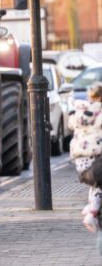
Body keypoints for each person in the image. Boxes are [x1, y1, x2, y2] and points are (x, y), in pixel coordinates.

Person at [69, 82, 102, 232]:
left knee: (94, 186)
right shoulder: (99, 113)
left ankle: (91, 207)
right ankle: (93, 211)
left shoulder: (80, 113)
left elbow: (71, 123)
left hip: (80, 164)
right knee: (99, 186)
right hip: (95, 161)